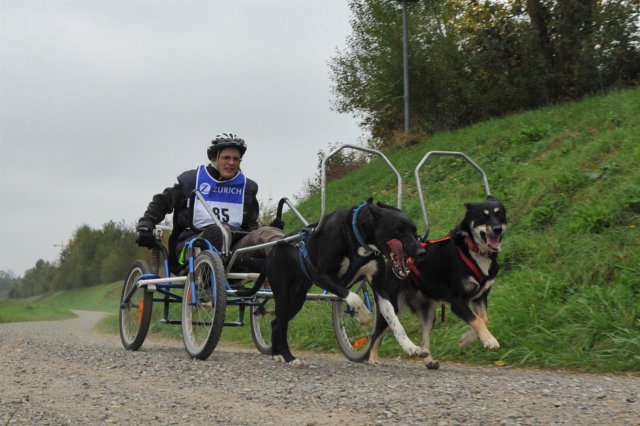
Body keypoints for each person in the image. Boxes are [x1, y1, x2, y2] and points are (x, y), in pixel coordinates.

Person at [135, 133, 284, 272]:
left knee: (271, 234)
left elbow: (251, 226)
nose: (231, 163)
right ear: (214, 158)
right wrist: (146, 223)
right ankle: (206, 276)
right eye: (226, 158)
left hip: (234, 249)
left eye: (236, 159)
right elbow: (162, 202)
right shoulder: (192, 181)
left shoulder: (246, 188)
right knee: (220, 231)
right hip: (193, 244)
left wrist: (265, 230)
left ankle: (284, 272)